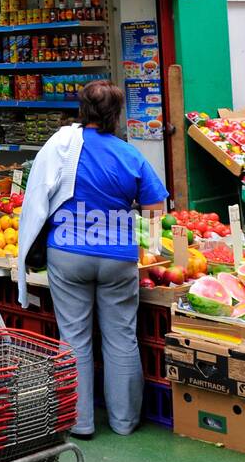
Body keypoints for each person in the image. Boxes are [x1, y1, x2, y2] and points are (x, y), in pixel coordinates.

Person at [18, 80, 167, 439]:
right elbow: (155, 208)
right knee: (121, 337)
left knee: (75, 339)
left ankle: (80, 422)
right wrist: (151, 247)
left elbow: (37, 197)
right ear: (116, 115)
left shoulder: (62, 149)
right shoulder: (129, 154)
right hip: (117, 255)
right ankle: (124, 421)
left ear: (82, 110)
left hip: (68, 252)